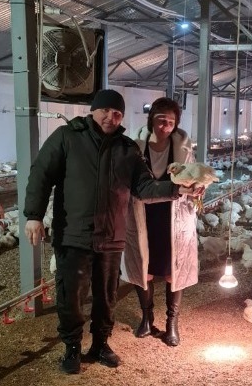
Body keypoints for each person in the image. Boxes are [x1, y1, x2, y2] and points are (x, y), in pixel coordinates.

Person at [23, 90, 200, 374]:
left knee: (106, 296)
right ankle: (72, 347)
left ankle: (101, 343)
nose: (110, 117)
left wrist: (178, 189)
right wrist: (34, 215)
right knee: (72, 296)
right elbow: (41, 174)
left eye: (117, 113)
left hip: (111, 236)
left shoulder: (127, 149)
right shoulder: (67, 137)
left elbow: (144, 186)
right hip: (74, 234)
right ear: (93, 110)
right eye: (105, 110)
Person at [121, 97, 199, 347]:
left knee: (172, 270)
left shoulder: (184, 149)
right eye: (161, 120)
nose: (165, 126)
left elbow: (193, 177)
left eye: (171, 122)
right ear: (151, 120)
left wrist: (198, 188)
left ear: (176, 124)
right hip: (143, 213)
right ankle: (147, 317)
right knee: (143, 269)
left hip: (173, 216)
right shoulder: (134, 147)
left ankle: (172, 322)